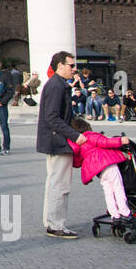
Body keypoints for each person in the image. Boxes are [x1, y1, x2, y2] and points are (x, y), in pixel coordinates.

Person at [37, 51, 89, 239]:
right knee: (60, 184)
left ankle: (51, 221)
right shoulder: (57, 86)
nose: (74, 69)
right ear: (60, 66)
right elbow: (52, 117)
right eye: (71, 65)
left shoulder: (58, 85)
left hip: (56, 139)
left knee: (54, 182)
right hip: (58, 140)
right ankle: (55, 224)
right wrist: (75, 135)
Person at [68, 117, 136, 229]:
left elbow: (77, 162)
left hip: (98, 170)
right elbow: (106, 142)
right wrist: (120, 140)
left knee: (108, 190)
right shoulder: (90, 136)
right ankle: (124, 212)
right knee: (118, 187)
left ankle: (114, 214)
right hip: (108, 163)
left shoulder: (78, 143)